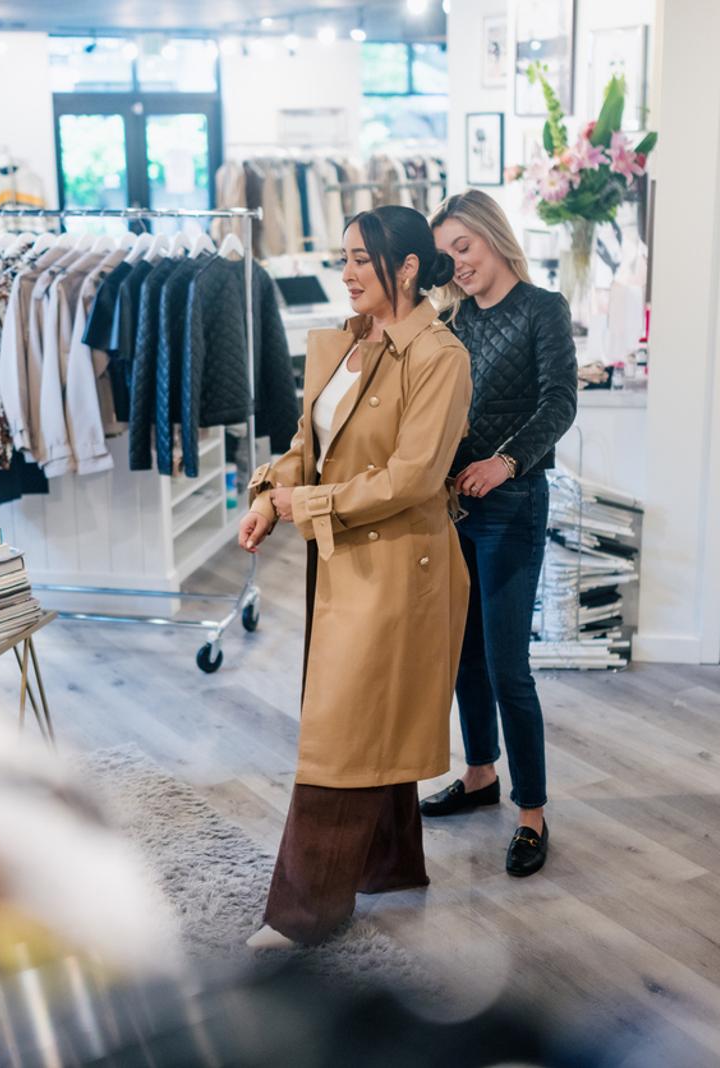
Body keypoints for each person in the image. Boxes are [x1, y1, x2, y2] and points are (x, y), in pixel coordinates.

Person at [237, 205, 470, 947]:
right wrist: (272, 497)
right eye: (343, 259)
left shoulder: (440, 357)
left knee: (345, 725)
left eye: (361, 260)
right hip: (341, 556)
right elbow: (314, 439)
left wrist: (298, 502)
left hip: (399, 566)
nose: (344, 273)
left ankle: (305, 912)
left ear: (406, 267)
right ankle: (391, 865)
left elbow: (410, 478)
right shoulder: (350, 342)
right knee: (370, 711)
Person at [421, 190, 577, 878]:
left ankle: (533, 813)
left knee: (508, 665)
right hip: (453, 507)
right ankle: (480, 773)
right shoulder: (450, 318)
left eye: (465, 247)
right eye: (446, 254)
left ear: (492, 235)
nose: (458, 263)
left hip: (513, 504)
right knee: (464, 657)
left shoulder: (544, 310)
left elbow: (558, 403)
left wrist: (506, 460)